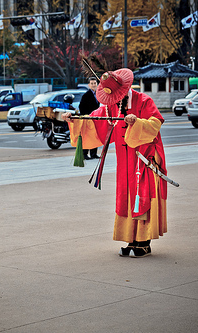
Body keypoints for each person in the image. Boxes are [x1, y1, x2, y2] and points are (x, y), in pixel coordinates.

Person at [62, 68, 168, 258]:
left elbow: (156, 122)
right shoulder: (111, 105)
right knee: (126, 196)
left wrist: (137, 122)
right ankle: (130, 238)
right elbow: (95, 121)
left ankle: (144, 241)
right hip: (124, 160)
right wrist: (75, 120)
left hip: (144, 158)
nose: (117, 100)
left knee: (141, 195)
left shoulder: (143, 100)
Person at [79, 77, 100, 159]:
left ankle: (93, 153)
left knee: (95, 136)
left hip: (96, 118)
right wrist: (86, 117)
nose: (93, 85)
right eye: (92, 83)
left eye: (95, 83)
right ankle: (84, 154)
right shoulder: (86, 95)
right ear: (88, 85)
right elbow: (81, 107)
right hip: (88, 119)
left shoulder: (98, 94)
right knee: (87, 136)